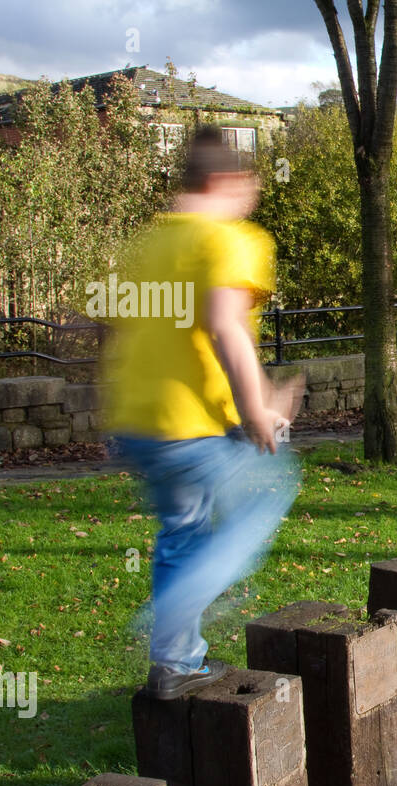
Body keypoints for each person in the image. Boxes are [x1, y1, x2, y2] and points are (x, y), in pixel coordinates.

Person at [96, 125, 305, 700]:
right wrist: (259, 409)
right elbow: (223, 326)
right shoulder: (227, 239)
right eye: (248, 186)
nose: (252, 198)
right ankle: (169, 618)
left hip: (139, 424)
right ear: (224, 180)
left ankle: (175, 663)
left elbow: (115, 325)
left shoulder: (150, 241)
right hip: (189, 426)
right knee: (272, 489)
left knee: (183, 533)